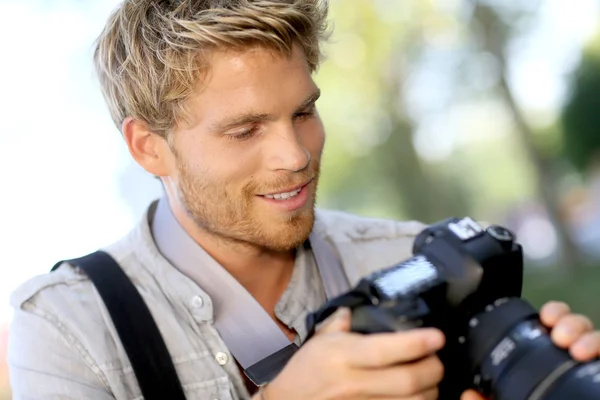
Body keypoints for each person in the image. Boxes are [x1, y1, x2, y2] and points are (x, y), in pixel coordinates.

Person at [7, 1, 600, 399]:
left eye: (304, 111)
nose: (294, 153)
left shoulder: (410, 257)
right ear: (148, 148)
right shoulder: (67, 328)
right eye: (245, 130)